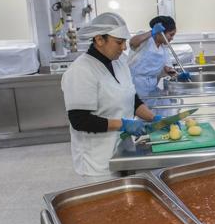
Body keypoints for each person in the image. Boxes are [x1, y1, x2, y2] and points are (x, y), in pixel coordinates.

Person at [61, 12, 162, 179]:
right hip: (97, 160)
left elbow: (132, 99)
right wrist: (123, 124)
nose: (124, 48)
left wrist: (154, 119)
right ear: (99, 40)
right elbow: (80, 120)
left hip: (122, 150)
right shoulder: (81, 71)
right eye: (119, 42)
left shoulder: (120, 61)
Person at [128, 15, 190, 96]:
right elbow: (132, 43)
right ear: (160, 33)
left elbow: (168, 69)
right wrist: (152, 32)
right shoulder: (146, 39)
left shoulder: (164, 48)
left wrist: (177, 75)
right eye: (171, 35)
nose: (172, 38)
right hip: (135, 85)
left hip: (152, 86)